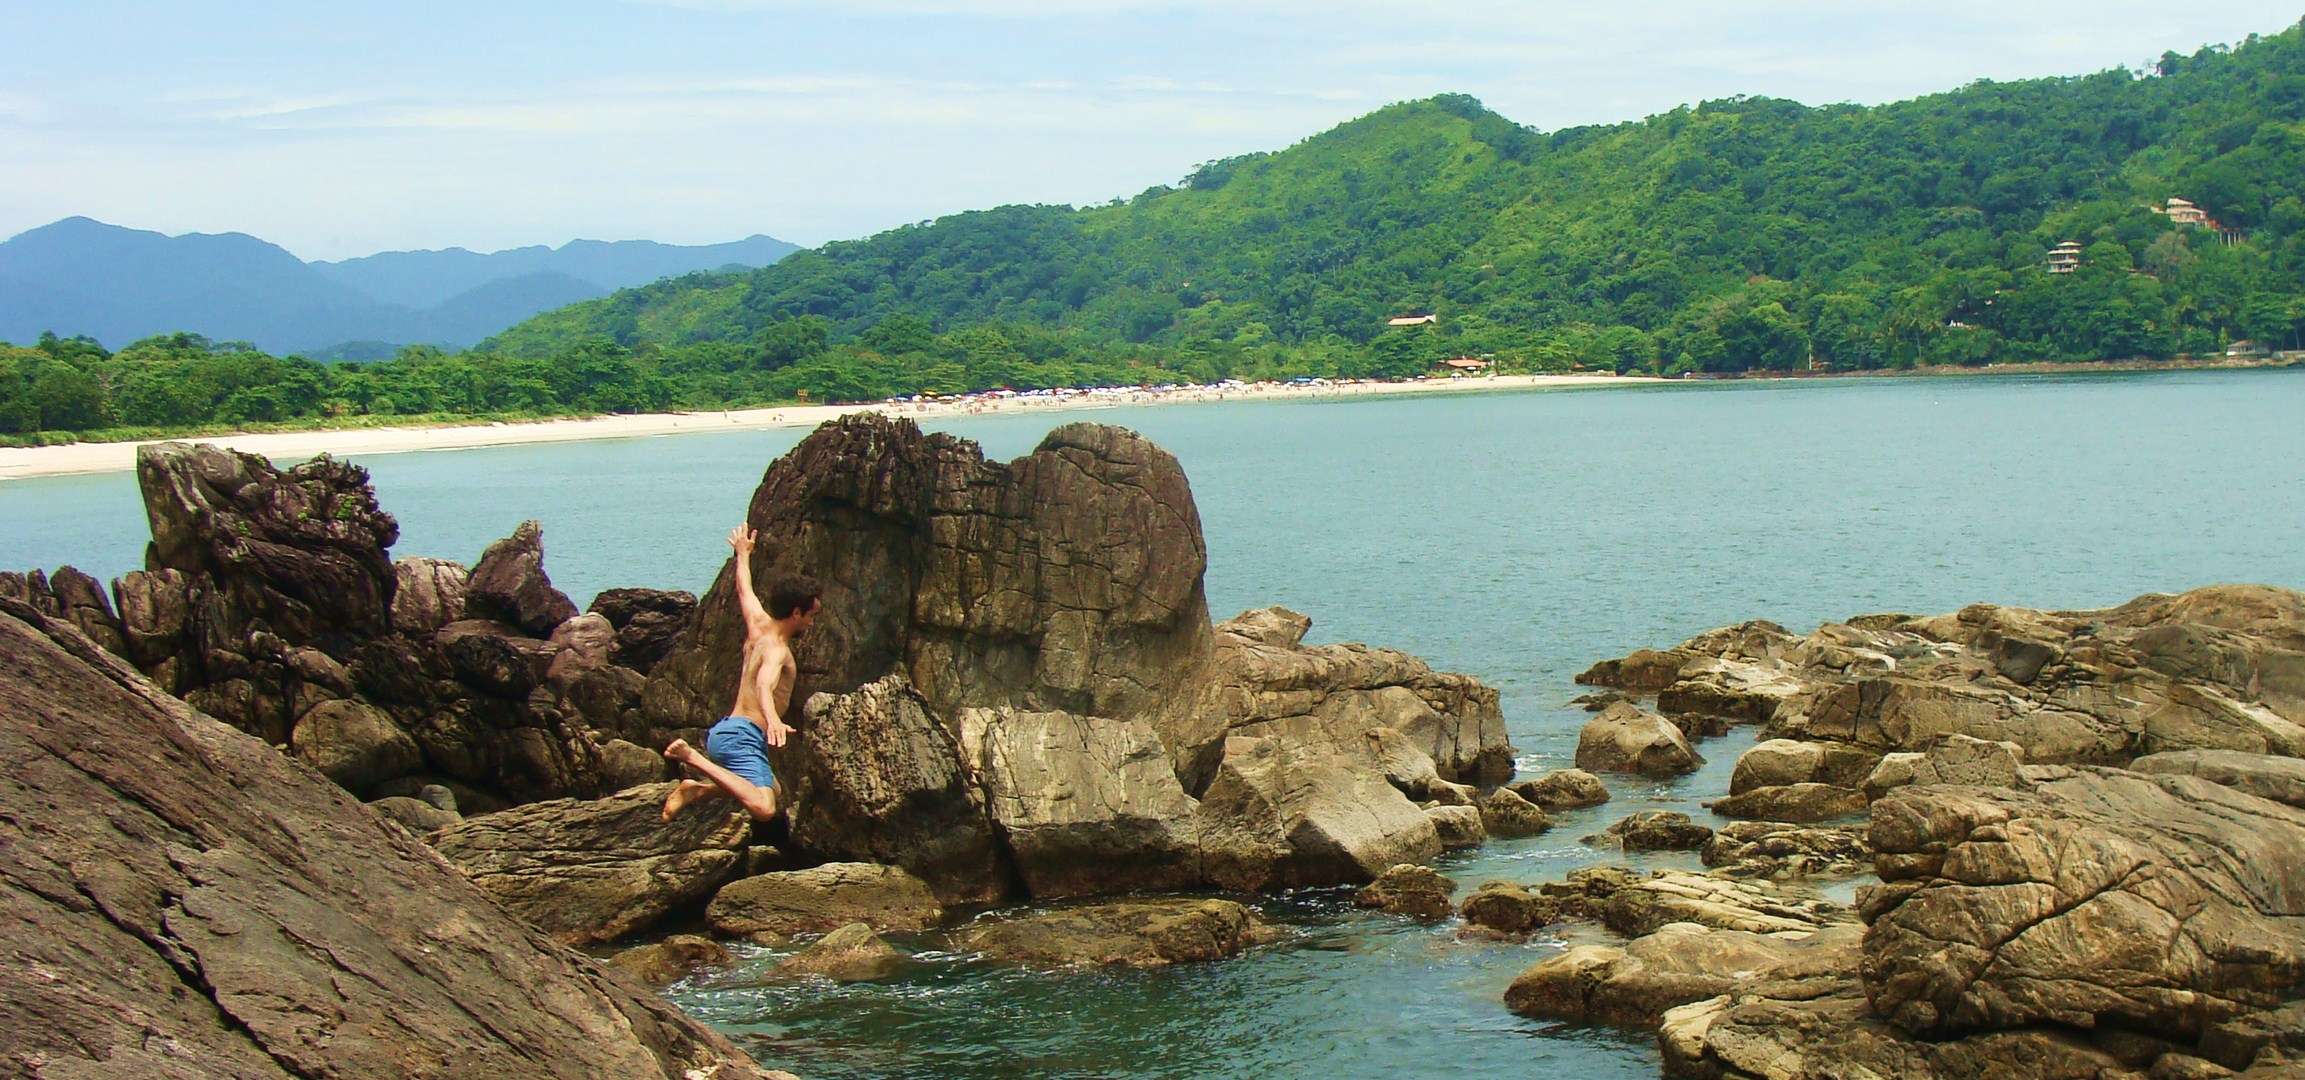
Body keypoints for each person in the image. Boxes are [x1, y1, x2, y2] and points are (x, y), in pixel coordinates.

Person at [661, 524, 821, 821]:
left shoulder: (759, 625)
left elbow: (743, 589)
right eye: (811, 615)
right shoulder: (777, 651)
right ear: (797, 613)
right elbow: (763, 684)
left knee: (772, 787)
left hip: (729, 731)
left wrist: (743, 554)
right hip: (742, 736)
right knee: (764, 807)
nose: (812, 622)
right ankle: (691, 759)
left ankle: (697, 790)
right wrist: (773, 719)